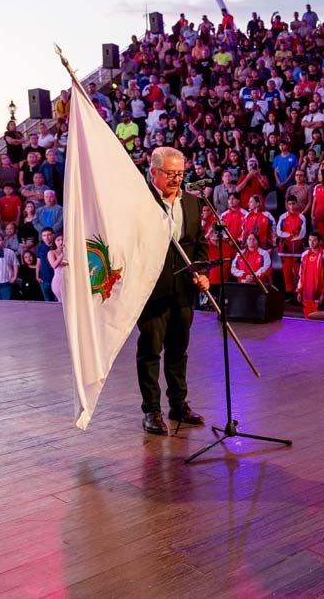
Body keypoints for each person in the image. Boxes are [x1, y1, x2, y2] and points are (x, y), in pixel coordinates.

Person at [136, 147, 210, 436]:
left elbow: (199, 242)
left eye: (180, 173)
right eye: (170, 173)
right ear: (154, 172)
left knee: (178, 350)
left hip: (183, 291)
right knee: (150, 352)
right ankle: (151, 410)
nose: (177, 179)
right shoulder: (141, 202)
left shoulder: (191, 202)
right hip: (152, 291)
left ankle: (178, 405)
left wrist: (203, 273)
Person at [296, 231, 324, 315]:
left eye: (314, 240)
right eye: (310, 240)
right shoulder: (304, 255)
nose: (311, 243)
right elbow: (301, 275)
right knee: (307, 317)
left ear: (320, 242)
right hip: (307, 294)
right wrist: (299, 291)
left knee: (319, 318)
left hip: (320, 293)